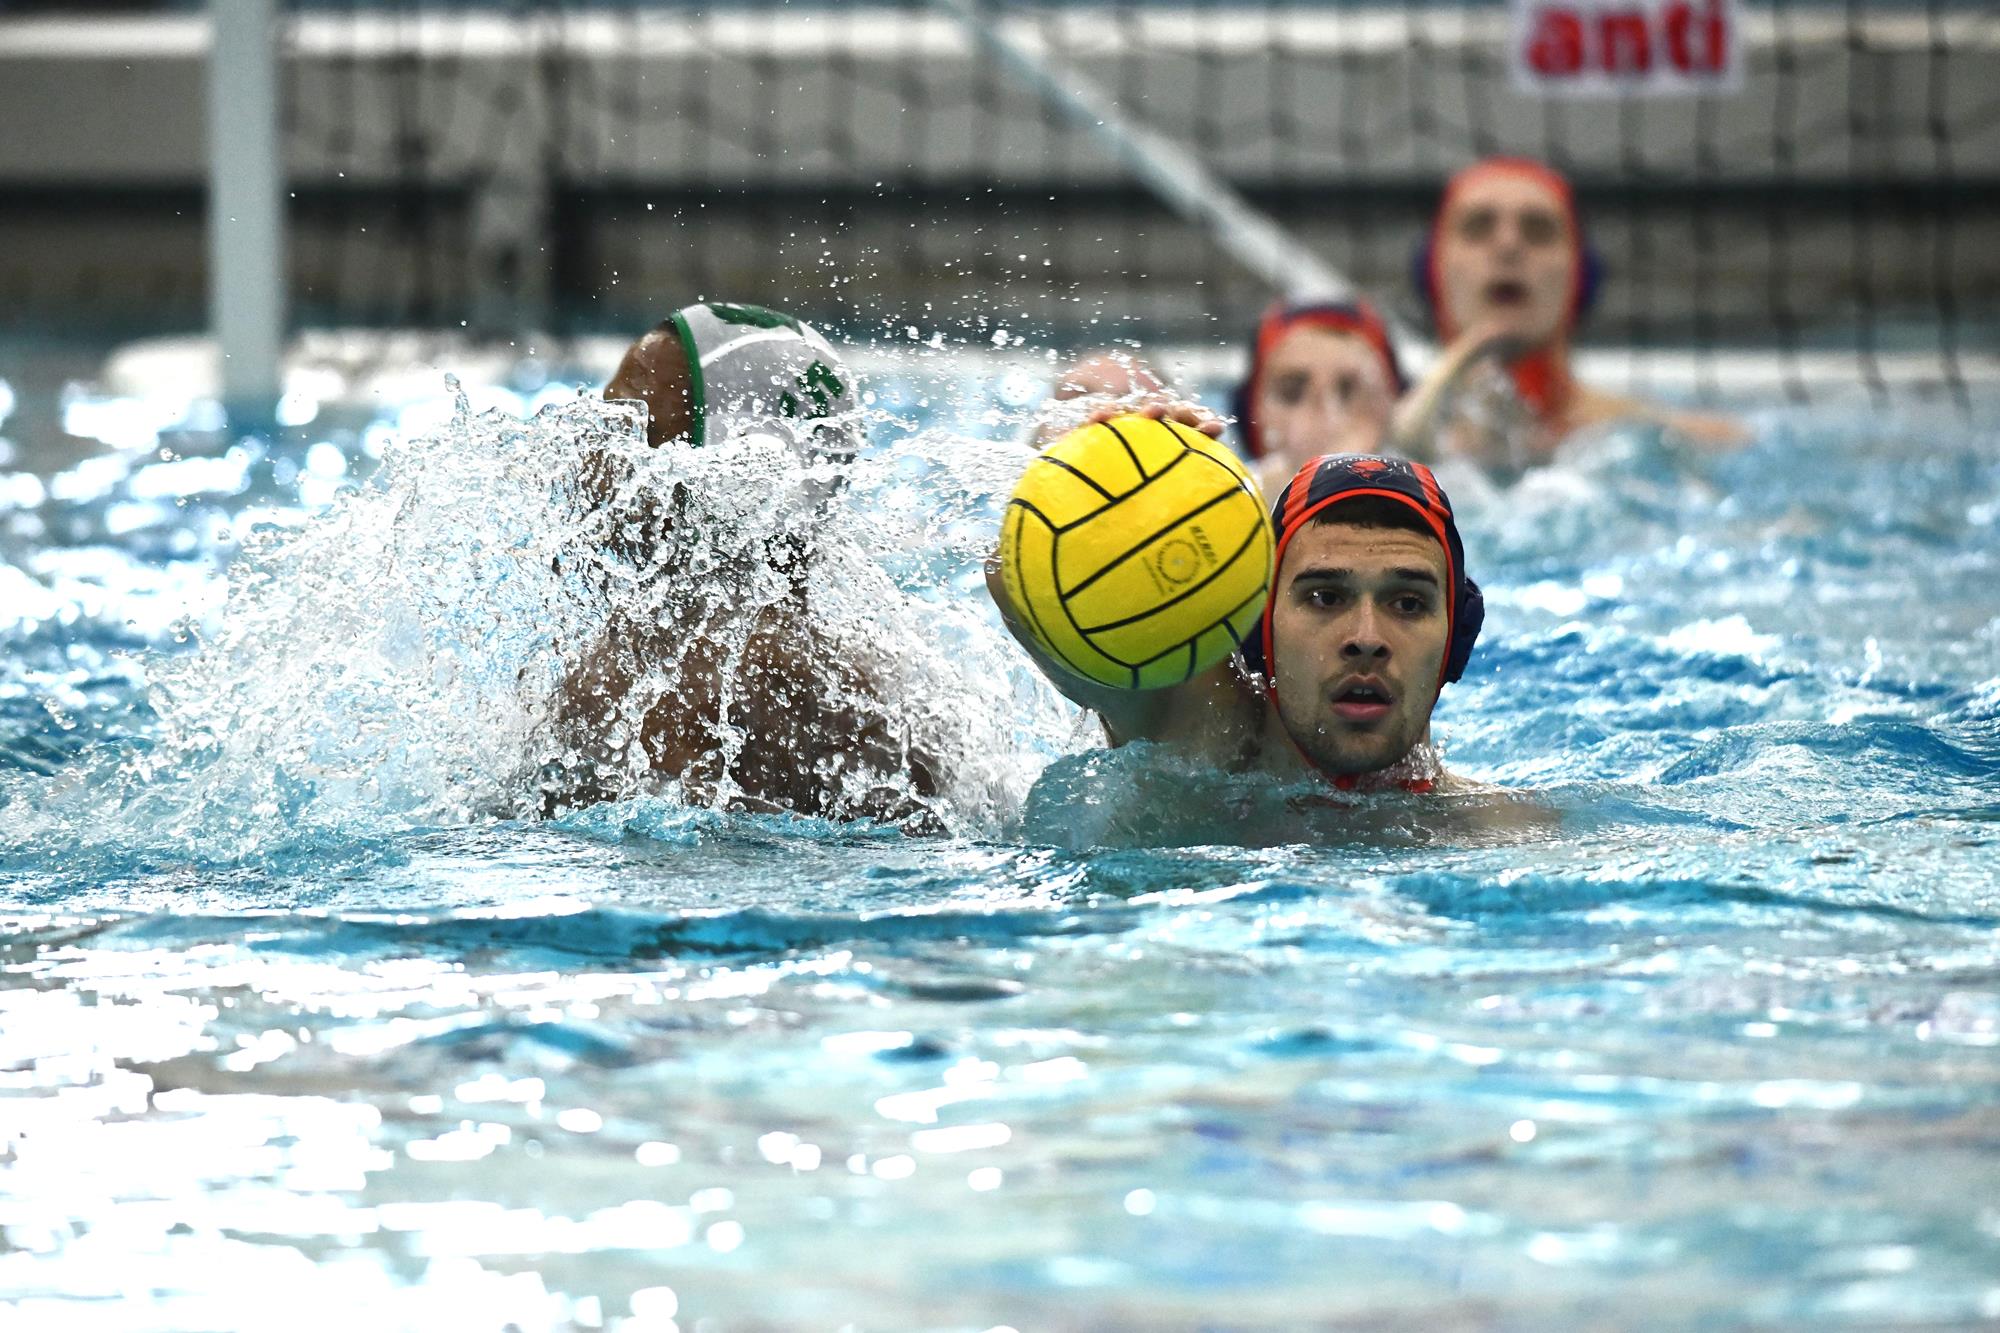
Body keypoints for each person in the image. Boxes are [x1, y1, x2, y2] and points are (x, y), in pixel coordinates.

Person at [538, 300, 953, 829]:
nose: (584, 448)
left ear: (733, 471)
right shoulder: (882, 697)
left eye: (624, 420)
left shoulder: (660, 685)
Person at [988, 444, 1490, 796]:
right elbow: (1013, 576)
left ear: (1456, 640)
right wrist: (1103, 471)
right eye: (1324, 597)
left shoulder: (1499, 835)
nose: (1365, 638)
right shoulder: (1193, 729)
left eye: (1406, 603)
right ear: (1257, 627)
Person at [1417, 155, 1746, 473]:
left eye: (1538, 230)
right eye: (1478, 227)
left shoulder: (1683, 441)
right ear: (1434, 271)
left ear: (1581, 276)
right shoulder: (1379, 445)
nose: (1509, 245)